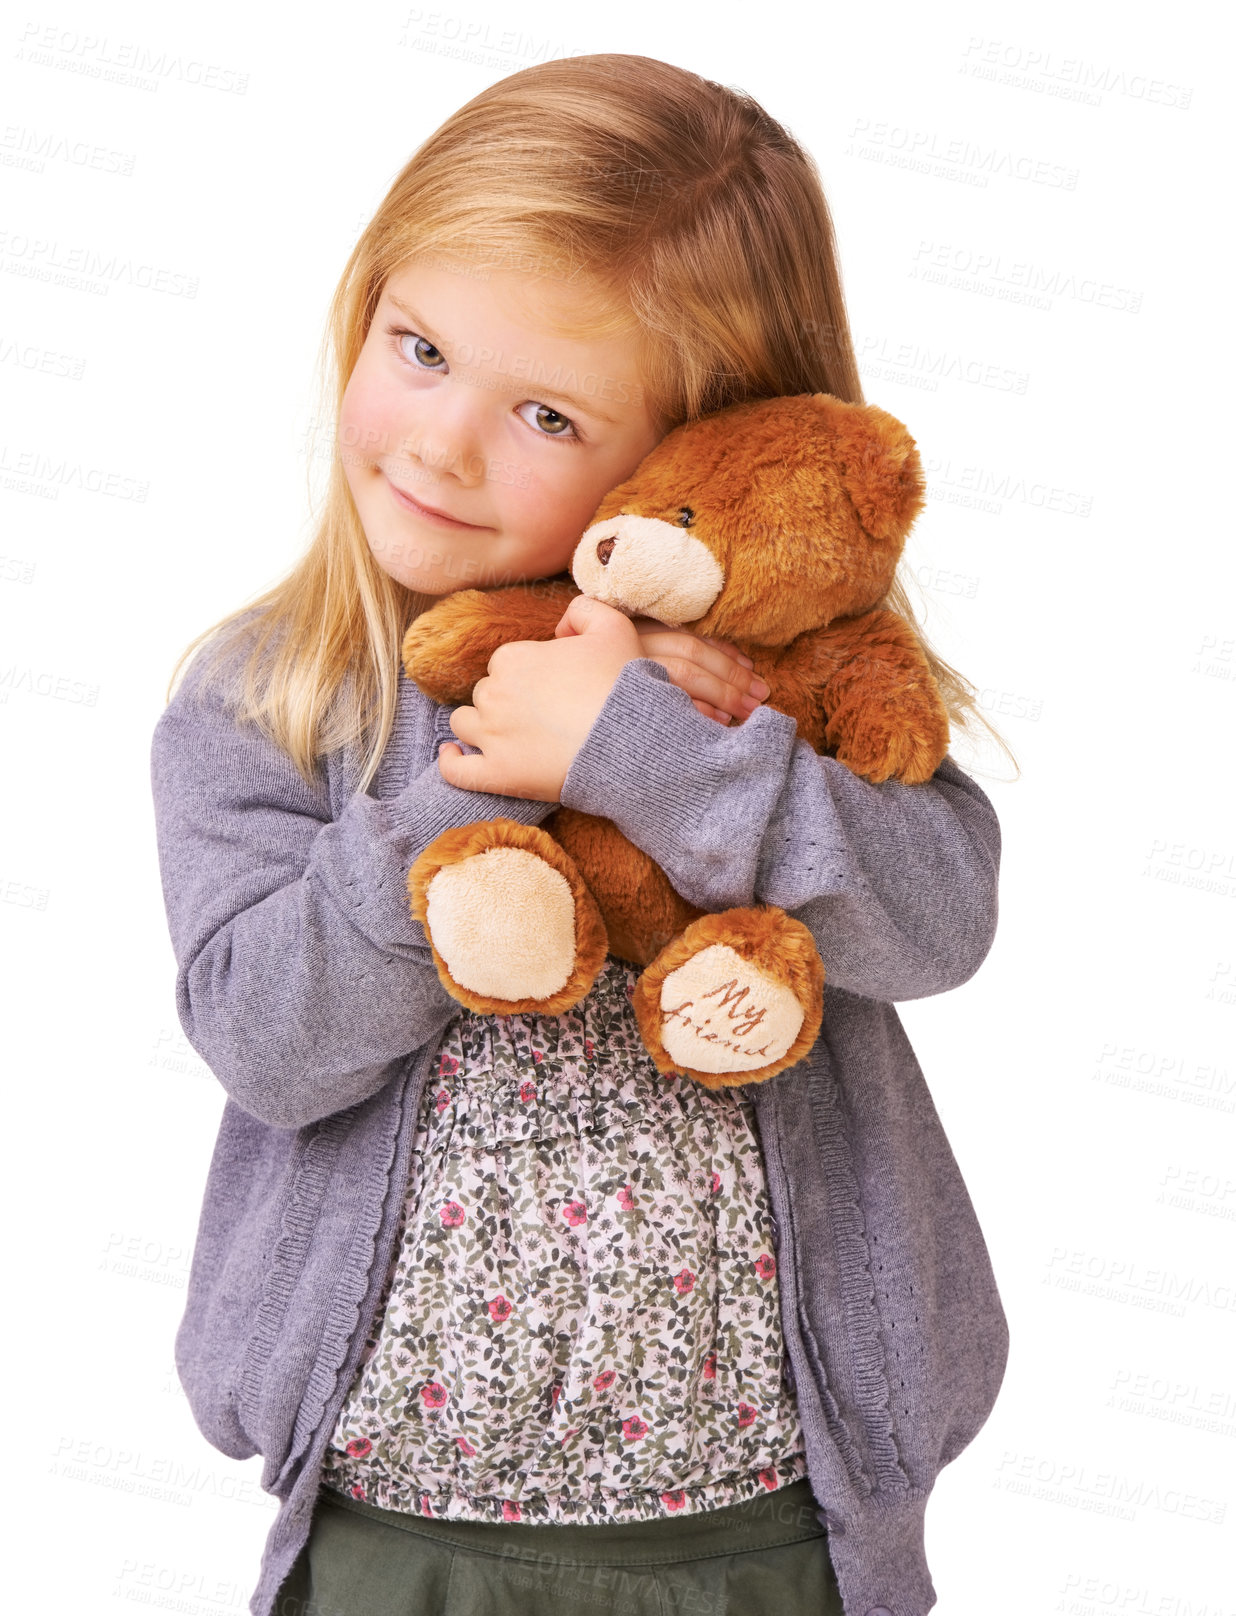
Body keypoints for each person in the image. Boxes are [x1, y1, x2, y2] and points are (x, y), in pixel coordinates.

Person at [149, 54, 1018, 1616]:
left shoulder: (769, 697)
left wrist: (662, 754)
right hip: (392, 1537)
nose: (442, 443)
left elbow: (934, 922)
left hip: (770, 1540)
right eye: (418, 349)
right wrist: (495, 774)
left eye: (545, 410)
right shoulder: (274, 699)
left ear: (709, 441)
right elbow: (267, 1039)